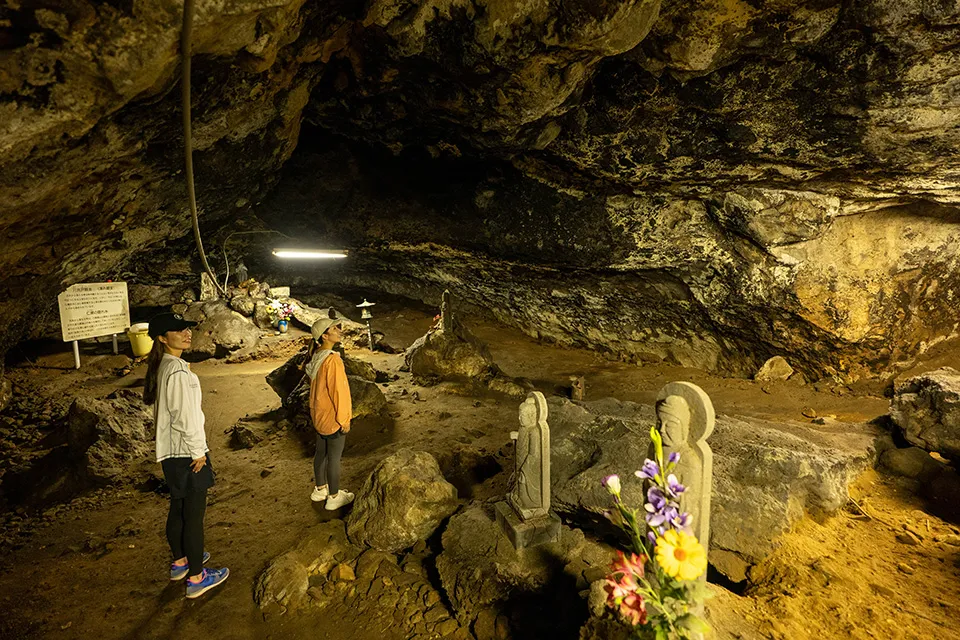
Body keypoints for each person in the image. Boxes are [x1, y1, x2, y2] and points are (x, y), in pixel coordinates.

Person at [143, 312, 229, 599]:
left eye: (186, 329)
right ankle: (196, 578)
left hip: (171, 453)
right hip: (186, 453)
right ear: (161, 338)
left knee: (178, 508)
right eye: (177, 330)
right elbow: (184, 416)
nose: (186, 333)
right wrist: (198, 450)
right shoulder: (178, 371)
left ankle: (180, 562)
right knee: (194, 517)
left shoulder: (164, 366)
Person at [306, 312, 354, 510]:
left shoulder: (317, 355)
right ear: (324, 336)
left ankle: (320, 489)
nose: (339, 331)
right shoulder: (332, 360)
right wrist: (344, 419)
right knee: (334, 457)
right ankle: (334, 496)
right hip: (332, 417)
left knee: (320, 453)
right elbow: (339, 392)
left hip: (318, 415)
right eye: (334, 329)